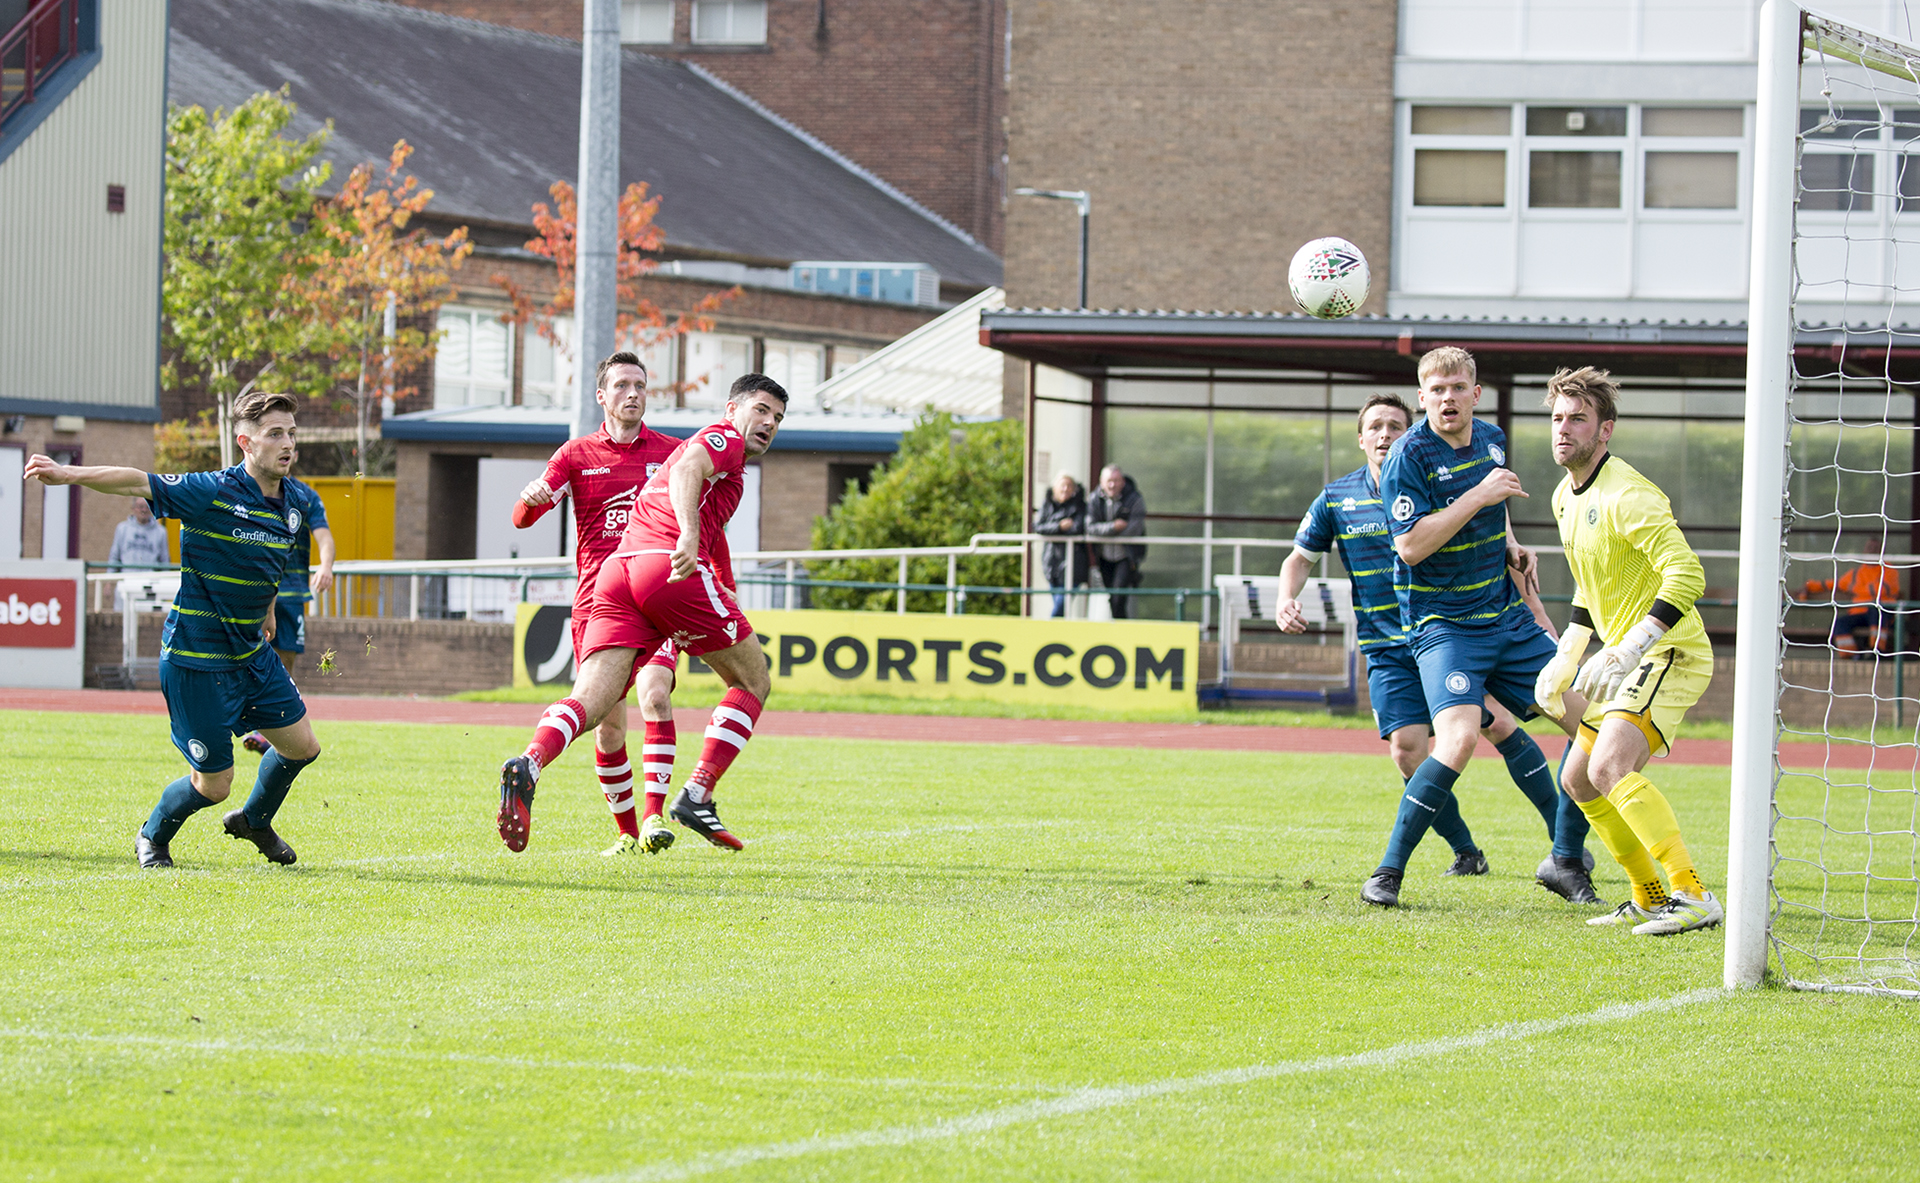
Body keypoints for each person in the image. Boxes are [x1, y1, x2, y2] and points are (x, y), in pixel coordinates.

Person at [1277, 393, 1586, 883]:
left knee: (1500, 724)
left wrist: (1532, 601)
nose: (1384, 435)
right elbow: (1298, 558)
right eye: (1375, 427)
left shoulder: (1441, 478)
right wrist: (1284, 598)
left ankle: (1564, 844)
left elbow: (1499, 534)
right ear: (1360, 439)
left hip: (1453, 632)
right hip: (1389, 645)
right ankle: (1466, 851)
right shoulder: (1337, 499)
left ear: (1410, 431)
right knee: (1407, 748)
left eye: (1395, 426)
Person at [24, 391, 334, 869]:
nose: (288, 443)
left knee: (302, 747)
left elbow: (267, 563)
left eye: (291, 432)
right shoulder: (211, 490)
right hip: (197, 659)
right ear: (245, 443)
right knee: (213, 784)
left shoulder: (294, 503)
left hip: (252, 656)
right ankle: (152, 835)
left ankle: (253, 820)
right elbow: (135, 482)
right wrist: (67, 474)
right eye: (275, 434)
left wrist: (268, 610)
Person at [497, 374, 786, 854]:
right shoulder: (723, 438)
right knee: (754, 681)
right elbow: (691, 468)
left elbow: (706, 511)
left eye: (777, 417)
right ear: (732, 409)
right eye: (760, 410)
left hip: (617, 576)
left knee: (594, 702)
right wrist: (688, 536)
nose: (769, 423)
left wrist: (720, 578)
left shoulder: (672, 447)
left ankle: (529, 762)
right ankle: (695, 795)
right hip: (664, 569)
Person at [1367, 346, 1594, 909]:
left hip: (1506, 618)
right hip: (1443, 625)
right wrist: (1480, 494)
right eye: (1436, 389)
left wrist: (1512, 544)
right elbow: (1412, 546)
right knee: (1462, 738)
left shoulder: (1492, 438)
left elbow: (1496, 509)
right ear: (1423, 398)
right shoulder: (1408, 456)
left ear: (1476, 392)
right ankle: (1387, 874)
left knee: (1590, 724)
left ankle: (1564, 861)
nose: (1448, 398)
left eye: (1458, 387)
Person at [1533, 367, 1723, 935]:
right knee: (1579, 780)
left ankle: (1692, 895)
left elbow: (1687, 574)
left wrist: (1632, 645)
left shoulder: (1629, 494)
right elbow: (1593, 589)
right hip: (1626, 655)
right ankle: (1649, 895)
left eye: (1578, 419)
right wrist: (1567, 654)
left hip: (1670, 653)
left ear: (1605, 430)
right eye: (1557, 418)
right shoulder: (1565, 495)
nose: (1563, 429)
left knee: (1608, 764)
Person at [513, 351, 691, 858]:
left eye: (640, 385)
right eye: (621, 385)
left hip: (655, 599)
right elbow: (522, 520)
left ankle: (656, 815)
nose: (632, 393)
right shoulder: (575, 455)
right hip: (598, 605)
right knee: (608, 722)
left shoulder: (674, 453)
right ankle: (628, 833)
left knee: (656, 694)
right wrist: (531, 497)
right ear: (602, 395)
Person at [1801, 536, 1900, 656]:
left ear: (1881, 552)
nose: (1872, 551)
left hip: (1882, 612)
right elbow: (1832, 584)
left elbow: (1880, 590)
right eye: (1869, 548)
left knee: (1876, 612)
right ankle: (1851, 656)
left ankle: (1876, 653)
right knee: (1840, 622)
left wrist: (1856, 588)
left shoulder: (1889, 571)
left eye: (1876, 548)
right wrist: (1809, 586)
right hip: (1859, 612)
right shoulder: (1856, 573)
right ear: (1864, 551)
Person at [1086, 464, 1146, 618]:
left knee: (1118, 597)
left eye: (1116, 480)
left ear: (1123, 482)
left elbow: (1135, 529)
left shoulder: (1135, 499)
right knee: (1111, 597)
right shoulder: (1094, 499)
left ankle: (1121, 633)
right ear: (1101, 482)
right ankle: (1118, 630)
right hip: (1103, 556)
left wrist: (1105, 532)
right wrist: (1113, 527)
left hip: (1126, 556)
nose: (1112, 485)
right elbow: (1090, 528)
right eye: (1109, 481)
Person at [1033, 470, 1089, 618]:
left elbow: (1078, 528)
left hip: (1074, 565)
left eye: (1069, 486)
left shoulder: (1081, 506)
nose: (1065, 489)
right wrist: (1059, 526)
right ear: (1054, 488)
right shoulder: (1047, 504)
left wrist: (1055, 528)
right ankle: (1059, 636)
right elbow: (1038, 527)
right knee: (1061, 607)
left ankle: (1048, 631)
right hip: (1052, 564)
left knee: (1061, 605)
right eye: (1062, 486)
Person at [106, 498, 171, 569]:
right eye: (140, 506)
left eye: (148, 507)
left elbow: (164, 560)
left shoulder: (161, 532)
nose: (144, 510)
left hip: (150, 578)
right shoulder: (122, 529)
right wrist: (110, 576)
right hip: (128, 577)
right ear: (133, 508)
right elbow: (114, 557)